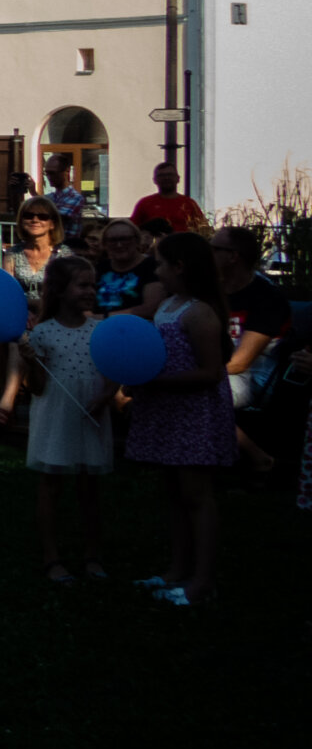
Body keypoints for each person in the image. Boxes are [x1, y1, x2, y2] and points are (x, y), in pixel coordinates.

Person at [123, 231, 234, 608]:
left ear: (180, 267)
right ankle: (177, 569)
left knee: (197, 495)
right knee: (174, 493)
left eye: (160, 263)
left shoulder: (200, 312)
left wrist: (156, 381)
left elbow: (211, 372)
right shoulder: (169, 305)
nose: (156, 270)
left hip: (194, 415)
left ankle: (202, 580)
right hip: (168, 411)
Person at [17, 253, 112, 583]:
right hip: (56, 416)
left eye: (93, 285)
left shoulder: (101, 330)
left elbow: (114, 372)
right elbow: (39, 388)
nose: (90, 291)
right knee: (51, 484)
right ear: (58, 289)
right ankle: (51, 556)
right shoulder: (43, 333)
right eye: (82, 285)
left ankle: (93, 555)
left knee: (90, 489)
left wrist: (105, 397)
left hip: (92, 415)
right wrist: (30, 362)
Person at [0, 196, 67, 430]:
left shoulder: (63, 255)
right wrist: (21, 310)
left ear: (52, 223)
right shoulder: (14, 254)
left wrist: (36, 307)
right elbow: (6, 292)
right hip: (19, 315)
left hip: (53, 316)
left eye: (42, 216)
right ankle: (14, 394)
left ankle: (6, 405)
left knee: (17, 341)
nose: (35, 220)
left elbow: (64, 294)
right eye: (29, 216)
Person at [209, 224, 287, 474]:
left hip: (255, 376)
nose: (207, 253)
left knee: (194, 393)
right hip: (219, 369)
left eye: (214, 248)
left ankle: (258, 458)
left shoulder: (266, 297)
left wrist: (193, 374)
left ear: (233, 256)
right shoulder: (212, 291)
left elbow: (241, 362)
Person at [92, 218, 166, 316]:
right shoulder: (99, 268)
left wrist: (104, 318)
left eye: (125, 239)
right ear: (105, 244)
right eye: (113, 240)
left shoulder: (151, 267)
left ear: (137, 240)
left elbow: (150, 308)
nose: (119, 245)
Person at [129, 163, 206, 239]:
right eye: (161, 175)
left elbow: (203, 230)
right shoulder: (144, 203)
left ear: (178, 178)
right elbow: (132, 230)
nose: (166, 178)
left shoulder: (189, 203)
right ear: (155, 180)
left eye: (170, 175)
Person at [43, 156, 87, 236]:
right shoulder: (50, 197)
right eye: (47, 173)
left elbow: (58, 220)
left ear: (66, 171)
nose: (49, 177)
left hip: (69, 244)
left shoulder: (75, 197)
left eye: (52, 173)